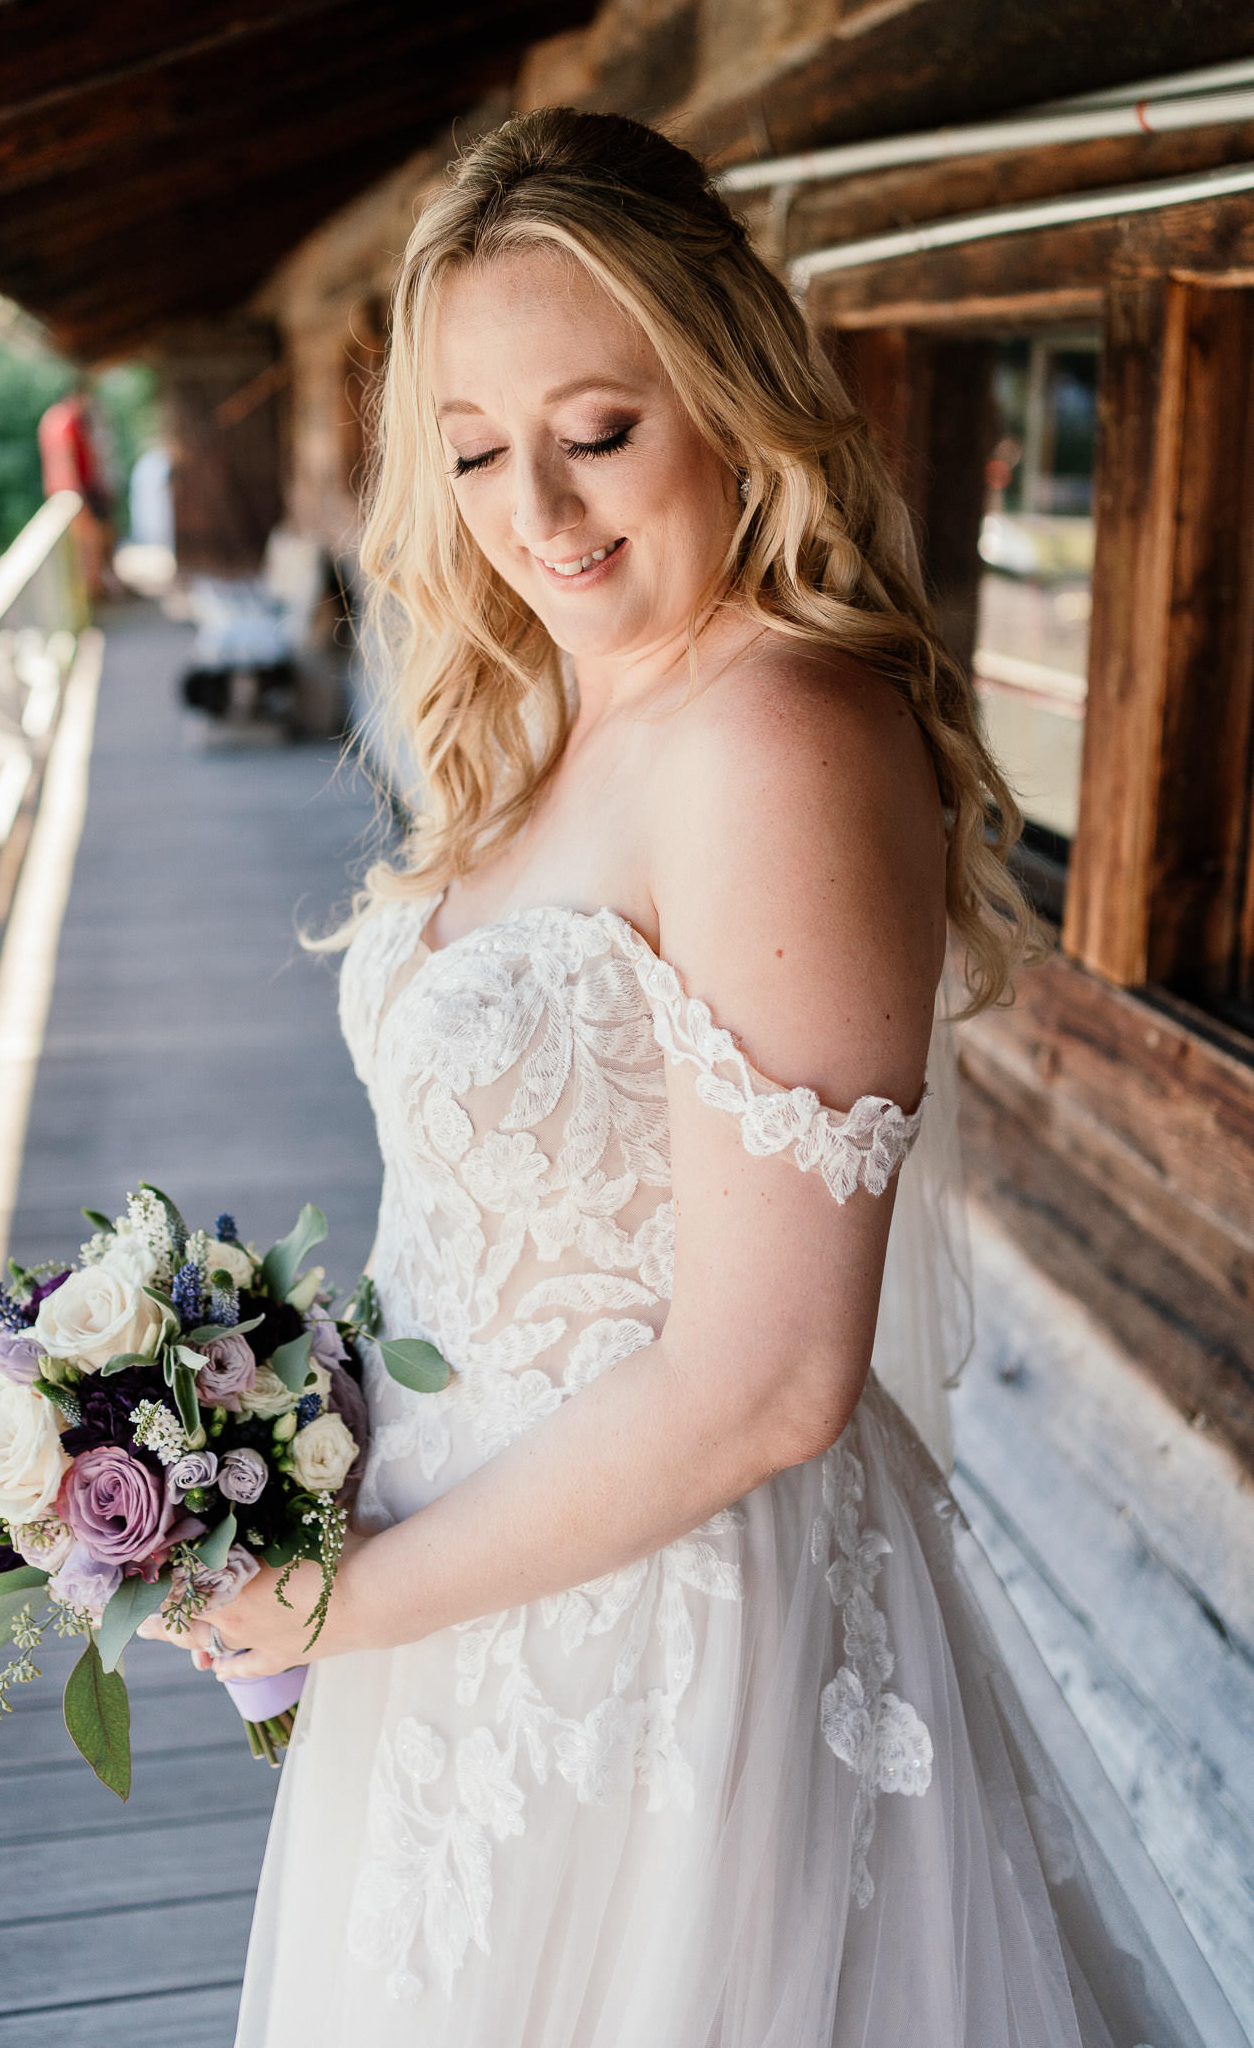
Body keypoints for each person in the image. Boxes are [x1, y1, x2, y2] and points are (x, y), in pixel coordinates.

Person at [146, 111, 1236, 2045]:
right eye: (477, 452)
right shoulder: (564, 704)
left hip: (663, 1662)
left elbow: (772, 1377)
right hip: (469, 1599)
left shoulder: (778, 738)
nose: (541, 515)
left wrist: (342, 1608)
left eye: (601, 430)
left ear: (731, 396)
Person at [37, 381, 122, 602]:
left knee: (91, 543)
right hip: (76, 492)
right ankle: (93, 595)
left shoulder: (51, 418)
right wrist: (78, 495)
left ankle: (98, 591)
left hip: (66, 492)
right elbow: (65, 459)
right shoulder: (66, 420)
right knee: (90, 545)